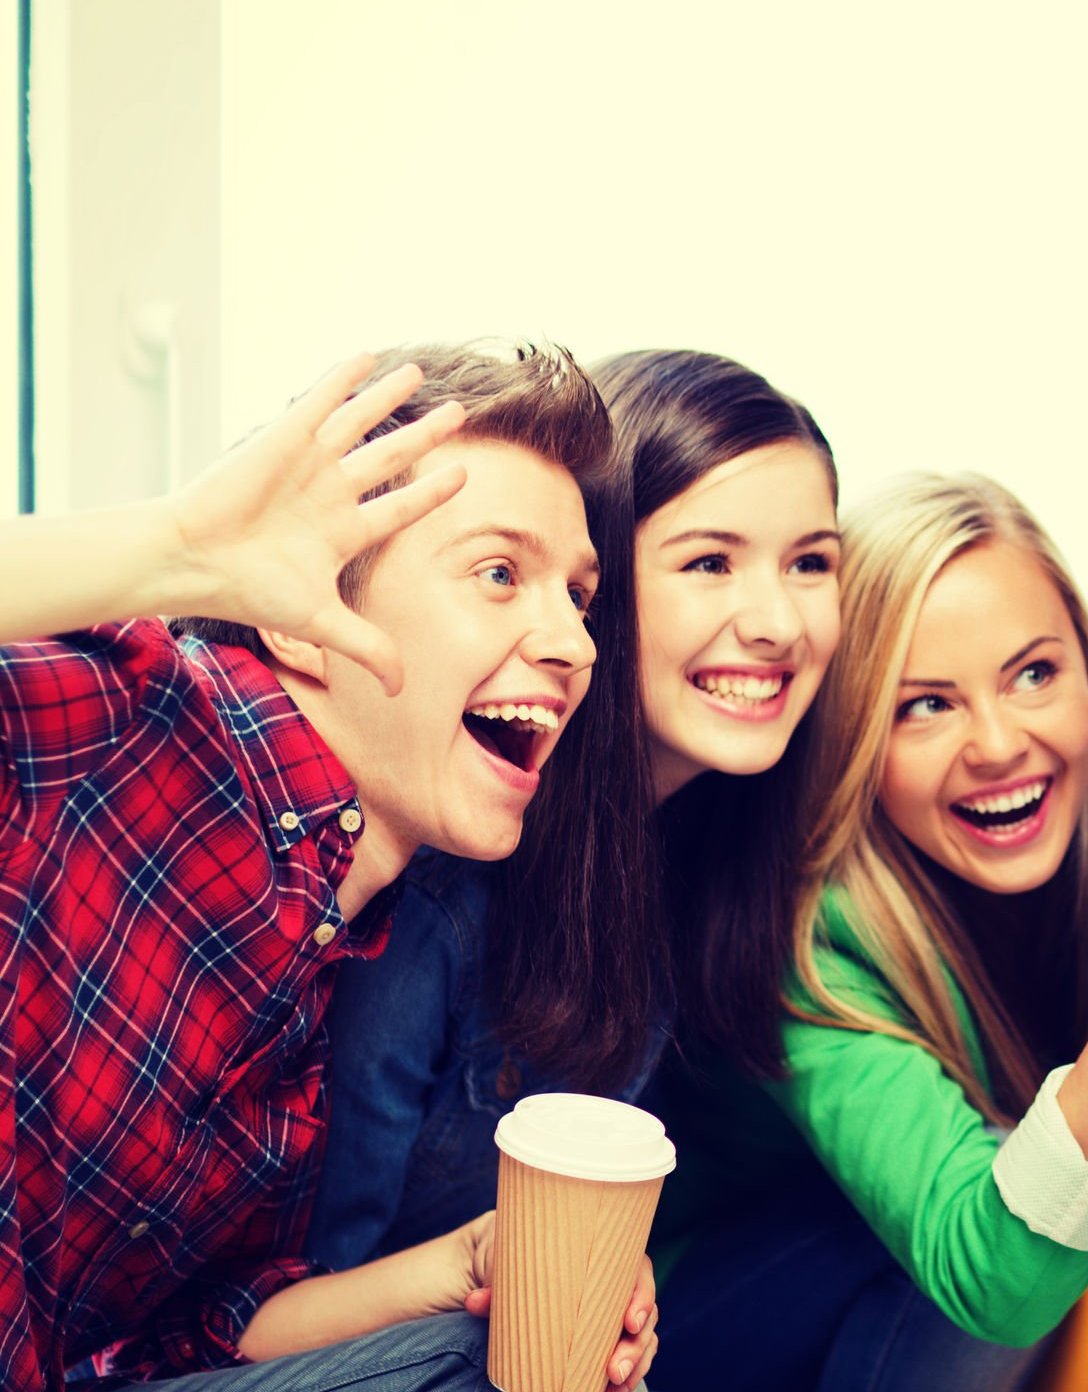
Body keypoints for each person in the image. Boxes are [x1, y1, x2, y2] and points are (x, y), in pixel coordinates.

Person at [0, 344, 659, 1391]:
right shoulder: (128, 721)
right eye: (500, 573)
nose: (576, 645)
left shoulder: (326, 959)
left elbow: (203, 1331)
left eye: (577, 597)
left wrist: (464, 1265)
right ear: (305, 620)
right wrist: (176, 546)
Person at [655, 474, 1088, 1392]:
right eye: (926, 706)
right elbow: (988, 1276)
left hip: (973, 1232)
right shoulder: (800, 941)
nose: (997, 744)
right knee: (994, 1234)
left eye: (1035, 673)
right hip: (731, 1299)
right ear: (855, 739)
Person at [303, 349, 849, 1391]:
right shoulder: (437, 875)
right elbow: (304, 1293)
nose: (778, 622)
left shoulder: (700, 850)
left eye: (810, 563)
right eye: (709, 563)